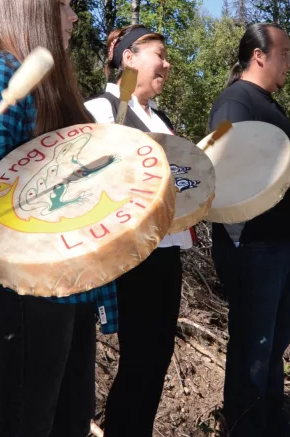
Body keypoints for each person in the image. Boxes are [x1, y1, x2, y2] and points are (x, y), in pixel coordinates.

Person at [0, 0, 118, 437]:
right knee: (27, 425)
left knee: (68, 420)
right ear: (32, 9)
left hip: (66, 285)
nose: (74, 16)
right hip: (26, 290)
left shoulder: (53, 88)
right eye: (63, 4)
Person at [85, 24, 193, 437]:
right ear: (128, 57)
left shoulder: (160, 118)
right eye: (159, 55)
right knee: (138, 359)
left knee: (157, 357)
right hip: (130, 255)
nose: (166, 64)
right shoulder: (99, 110)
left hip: (168, 250)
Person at [208, 23, 290, 437]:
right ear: (259, 56)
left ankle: (272, 423)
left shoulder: (269, 104)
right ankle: (246, 428)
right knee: (254, 345)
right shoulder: (235, 101)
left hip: (281, 242)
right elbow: (223, 164)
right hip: (251, 244)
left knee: (275, 343)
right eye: (284, 53)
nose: (289, 61)